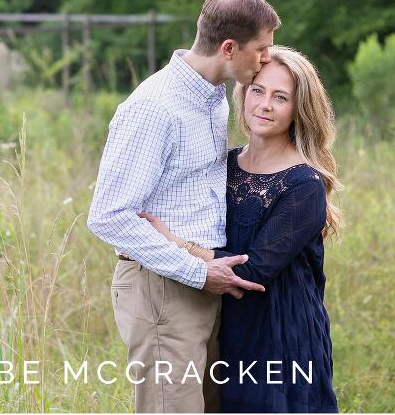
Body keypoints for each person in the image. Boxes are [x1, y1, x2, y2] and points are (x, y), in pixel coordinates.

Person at [87, 0, 281, 413]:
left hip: (203, 281)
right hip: (164, 289)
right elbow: (108, 215)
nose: (267, 58)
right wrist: (196, 271)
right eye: (262, 49)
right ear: (229, 48)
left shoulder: (215, 99)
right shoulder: (154, 108)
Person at [143, 45, 342, 413]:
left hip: (281, 335)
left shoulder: (303, 184)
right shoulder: (225, 164)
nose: (265, 104)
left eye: (280, 97)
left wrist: (172, 243)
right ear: (243, 93)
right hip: (225, 327)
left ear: (300, 109)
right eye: (258, 90)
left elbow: (251, 271)